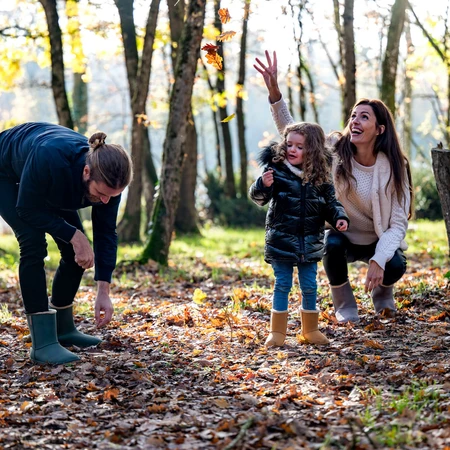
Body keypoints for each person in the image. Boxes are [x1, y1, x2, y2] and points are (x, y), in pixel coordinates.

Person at [254, 51, 413, 323]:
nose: (355, 121)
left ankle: (383, 294)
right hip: (343, 236)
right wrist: (275, 94)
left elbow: (398, 225)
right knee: (331, 243)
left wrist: (378, 260)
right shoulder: (334, 150)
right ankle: (344, 301)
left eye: (364, 117)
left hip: (377, 238)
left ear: (380, 129)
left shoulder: (395, 168)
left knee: (396, 264)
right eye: (354, 115)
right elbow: (295, 132)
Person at [0, 122, 133, 364]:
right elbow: (27, 209)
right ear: (86, 172)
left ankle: (63, 329)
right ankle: (42, 343)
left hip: (49, 179)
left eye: (111, 197)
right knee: (32, 243)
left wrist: (104, 291)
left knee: (78, 254)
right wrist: (75, 236)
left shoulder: (110, 182)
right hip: (5, 172)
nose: (105, 201)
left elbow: (106, 233)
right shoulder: (51, 156)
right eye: (101, 193)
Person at [249, 121, 349, 347]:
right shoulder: (276, 171)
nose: (292, 150)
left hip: (310, 241)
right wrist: (262, 185)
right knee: (282, 283)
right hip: (281, 241)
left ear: (312, 150)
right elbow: (259, 198)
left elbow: (331, 203)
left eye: (299, 147)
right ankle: (277, 332)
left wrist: (339, 218)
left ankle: (310, 330)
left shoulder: (321, 177)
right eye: (289, 144)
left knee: (309, 285)